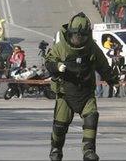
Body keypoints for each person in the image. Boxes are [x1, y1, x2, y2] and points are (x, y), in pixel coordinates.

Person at [45, 12, 118, 161]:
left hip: (86, 92)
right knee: (60, 125)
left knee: (91, 117)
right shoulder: (60, 48)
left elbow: (103, 66)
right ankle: (56, 149)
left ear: (87, 35)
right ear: (69, 33)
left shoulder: (92, 48)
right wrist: (58, 66)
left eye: (81, 36)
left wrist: (112, 79)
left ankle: (88, 150)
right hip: (65, 92)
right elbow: (49, 62)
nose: (77, 40)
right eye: (74, 36)